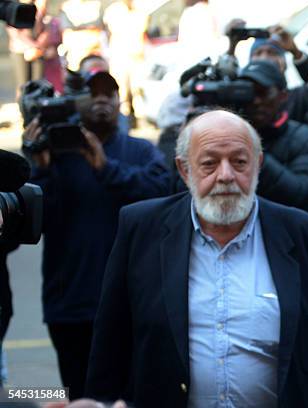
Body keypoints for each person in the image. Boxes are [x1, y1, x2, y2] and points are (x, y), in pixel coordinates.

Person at [85, 110, 308, 407]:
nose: (226, 175)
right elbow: (110, 344)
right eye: (209, 163)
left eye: (239, 162)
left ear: (257, 165)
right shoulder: (141, 229)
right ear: (184, 170)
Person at [22, 70, 171, 400]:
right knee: (80, 397)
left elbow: (163, 195)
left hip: (131, 302)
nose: (103, 99)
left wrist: (106, 168)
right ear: (79, 103)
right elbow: (35, 219)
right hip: (71, 303)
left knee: (128, 396)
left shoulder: (141, 151)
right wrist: (42, 168)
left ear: (120, 102)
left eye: (110, 92)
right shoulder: (58, 155)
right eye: (94, 93)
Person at [238, 59, 308, 212]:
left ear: (283, 96)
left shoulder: (307, 140)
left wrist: (248, 149)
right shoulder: (223, 136)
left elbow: (303, 194)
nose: (255, 101)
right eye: (249, 93)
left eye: (263, 92)